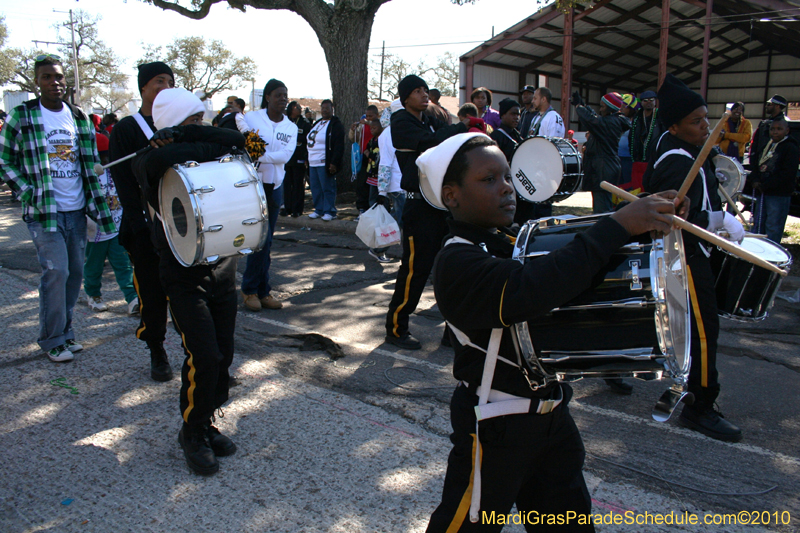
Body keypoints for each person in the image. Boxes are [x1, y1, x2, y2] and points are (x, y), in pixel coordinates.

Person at [421, 133, 684, 532]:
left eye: (507, 176)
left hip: (550, 418)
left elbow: (573, 259)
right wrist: (615, 226)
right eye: (489, 179)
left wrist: (645, 225)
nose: (507, 187)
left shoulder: (511, 239)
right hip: (495, 426)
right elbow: (538, 285)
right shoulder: (456, 260)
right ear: (452, 195)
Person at [133, 87, 242, 476]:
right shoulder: (150, 159)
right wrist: (186, 139)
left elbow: (248, 143)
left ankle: (207, 421)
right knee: (205, 356)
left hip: (223, 268)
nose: (202, 125)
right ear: (171, 124)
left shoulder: (198, 143)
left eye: (202, 118)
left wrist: (195, 133)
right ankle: (191, 431)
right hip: (182, 275)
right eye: (192, 120)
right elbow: (163, 158)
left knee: (225, 356)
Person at [643, 73, 745, 442]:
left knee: (695, 330)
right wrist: (718, 220)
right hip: (681, 257)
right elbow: (670, 215)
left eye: (706, 118)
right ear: (674, 125)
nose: (706, 126)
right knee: (702, 332)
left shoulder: (690, 152)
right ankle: (698, 406)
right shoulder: (675, 159)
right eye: (696, 121)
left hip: (692, 252)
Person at [0, 54, 115, 362]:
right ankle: (52, 339)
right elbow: (4, 159)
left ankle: (65, 334)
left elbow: (88, 162)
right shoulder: (22, 116)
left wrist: (98, 179)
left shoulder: (78, 117)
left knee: (74, 273)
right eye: (48, 77)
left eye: (60, 77)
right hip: (44, 212)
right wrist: (27, 191)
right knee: (56, 271)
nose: (55, 82)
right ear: (36, 82)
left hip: (77, 210)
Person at [384, 74, 471, 350]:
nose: (424, 95)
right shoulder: (400, 122)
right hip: (418, 207)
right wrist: (462, 127)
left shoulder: (431, 120)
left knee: (450, 269)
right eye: (417, 91)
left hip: (440, 207)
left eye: (425, 90)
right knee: (415, 270)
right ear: (405, 97)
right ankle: (396, 328)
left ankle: (453, 331)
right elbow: (431, 145)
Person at [109, 61, 175, 382]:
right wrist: (140, 226)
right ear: (144, 88)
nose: (165, 86)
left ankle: (195, 350)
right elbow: (124, 184)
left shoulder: (179, 123)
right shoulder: (126, 129)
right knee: (151, 291)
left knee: (183, 290)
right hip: (144, 226)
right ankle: (157, 350)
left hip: (178, 223)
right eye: (158, 81)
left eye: (170, 81)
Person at [240, 79, 298, 312]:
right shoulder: (253, 119)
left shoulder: (290, 127)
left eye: (285, 95)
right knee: (257, 239)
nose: (283, 99)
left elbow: (284, 156)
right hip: (252, 186)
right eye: (278, 95)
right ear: (267, 97)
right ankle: (251, 290)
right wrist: (259, 151)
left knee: (267, 240)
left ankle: (261, 291)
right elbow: (245, 147)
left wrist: (260, 153)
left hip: (275, 186)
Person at [83, 133, 139, 315]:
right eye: (102, 155)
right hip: (95, 231)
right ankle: (93, 295)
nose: (106, 159)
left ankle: (132, 298)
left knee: (123, 264)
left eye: (108, 155)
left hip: (116, 228)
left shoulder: (116, 171)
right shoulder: (87, 175)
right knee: (94, 265)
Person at [572, 91, 630, 214]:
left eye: (603, 106)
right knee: (600, 205)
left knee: (602, 208)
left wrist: (579, 107)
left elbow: (591, 120)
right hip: (603, 169)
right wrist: (583, 105)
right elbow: (594, 117)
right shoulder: (612, 120)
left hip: (604, 170)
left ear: (610, 108)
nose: (600, 109)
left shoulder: (610, 123)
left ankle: (603, 229)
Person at [751, 115, 799, 243]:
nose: (775, 132)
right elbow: (756, 163)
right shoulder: (768, 145)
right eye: (772, 129)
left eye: (779, 129)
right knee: (758, 224)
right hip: (763, 192)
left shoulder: (790, 148)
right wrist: (755, 179)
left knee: (773, 227)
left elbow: (787, 173)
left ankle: (770, 258)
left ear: (787, 131)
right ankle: (756, 254)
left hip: (778, 194)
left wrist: (766, 184)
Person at [307, 99, 345, 221]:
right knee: (315, 187)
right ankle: (319, 209)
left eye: (327, 108)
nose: (324, 110)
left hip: (324, 161)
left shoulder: (336, 124)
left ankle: (330, 211)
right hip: (313, 161)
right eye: (322, 108)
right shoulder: (318, 123)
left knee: (327, 187)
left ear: (332, 109)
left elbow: (339, 145)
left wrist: (334, 162)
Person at [375, 99, 406, 247]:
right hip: (398, 185)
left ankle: (378, 248)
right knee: (400, 221)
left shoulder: (400, 129)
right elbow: (385, 163)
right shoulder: (388, 133)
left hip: (404, 184)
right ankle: (378, 248)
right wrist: (382, 191)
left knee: (397, 219)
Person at [626, 90, 663, 195]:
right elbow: (631, 136)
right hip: (638, 158)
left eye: (651, 100)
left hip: (654, 158)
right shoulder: (637, 117)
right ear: (641, 103)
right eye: (645, 101)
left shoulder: (660, 116)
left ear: (655, 101)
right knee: (638, 186)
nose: (649, 103)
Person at [350, 104, 379, 215]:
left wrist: (369, 123)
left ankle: (373, 209)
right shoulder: (362, 126)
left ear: (377, 115)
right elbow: (353, 138)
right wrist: (353, 130)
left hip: (374, 158)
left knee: (372, 186)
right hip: (363, 156)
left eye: (370, 116)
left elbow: (380, 129)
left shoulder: (379, 125)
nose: (368, 118)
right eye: (366, 116)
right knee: (361, 183)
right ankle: (362, 208)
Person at [284, 101, 311, 218]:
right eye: (297, 107)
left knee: (298, 185)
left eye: (300, 107)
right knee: (287, 184)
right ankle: (287, 207)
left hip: (299, 158)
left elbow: (308, 138)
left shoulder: (305, 123)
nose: (299, 109)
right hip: (286, 159)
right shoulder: (285, 122)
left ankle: (297, 209)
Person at [750, 94, 787, 168]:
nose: (766, 106)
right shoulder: (764, 124)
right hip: (759, 160)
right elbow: (756, 142)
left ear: (777, 106)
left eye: (769, 104)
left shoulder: (784, 125)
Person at [617, 94, 638, 194]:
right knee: (618, 183)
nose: (621, 109)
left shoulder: (637, 121)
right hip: (618, 156)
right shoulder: (621, 119)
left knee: (628, 183)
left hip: (629, 158)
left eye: (624, 106)